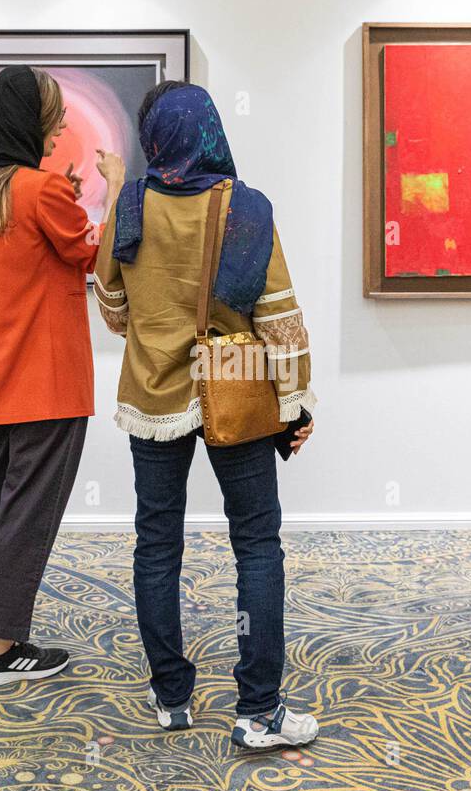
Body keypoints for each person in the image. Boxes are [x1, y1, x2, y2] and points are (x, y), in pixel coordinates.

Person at [93, 81, 318, 750]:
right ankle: (258, 711)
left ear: (153, 138)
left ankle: (171, 697)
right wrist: (296, 403)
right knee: (255, 543)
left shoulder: (132, 203)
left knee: (157, 544)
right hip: (238, 389)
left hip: (152, 396)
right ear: (213, 132)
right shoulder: (246, 208)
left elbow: (111, 308)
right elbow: (279, 316)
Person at [0, 65, 125, 686]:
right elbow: (94, 255)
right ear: (27, 121)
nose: (60, 123)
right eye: (52, 114)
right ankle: (4, 650)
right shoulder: (39, 191)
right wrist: (114, 189)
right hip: (44, 375)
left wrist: (53, 193)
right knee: (29, 507)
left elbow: (17, 249)